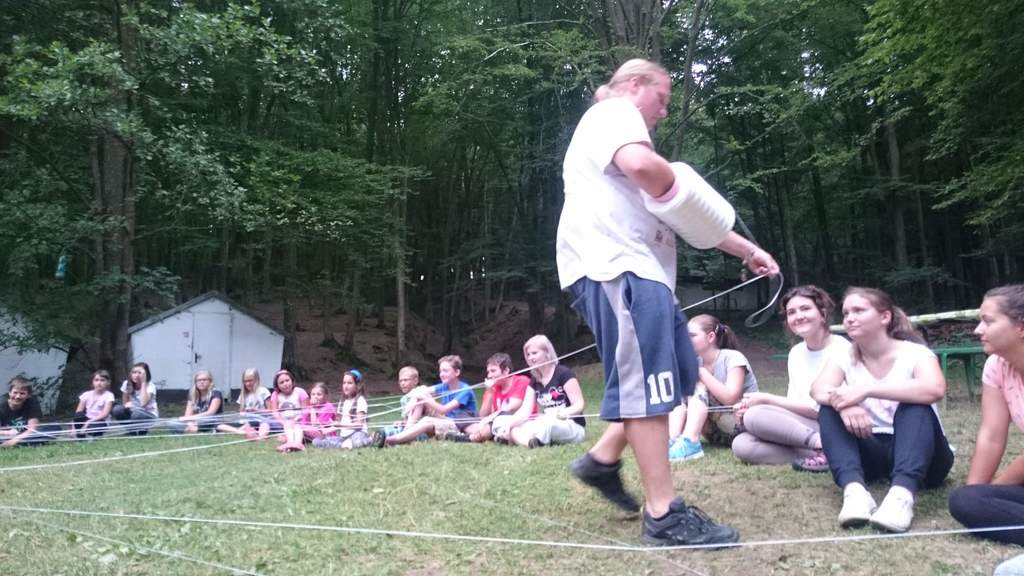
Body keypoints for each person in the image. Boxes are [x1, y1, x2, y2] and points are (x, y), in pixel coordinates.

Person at [558, 57, 778, 546]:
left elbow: (681, 213)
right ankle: (663, 515)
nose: (663, 111)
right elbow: (648, 171)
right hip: (617, 267)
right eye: (662, 99)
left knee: (676, 372)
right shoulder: (614, 113)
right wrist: (680, 177)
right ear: (635, 85)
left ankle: (601, 459)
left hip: (644, 273)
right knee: (648, 384)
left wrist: (747, 251)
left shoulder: (625, 137)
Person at [810, 287, 953, 533]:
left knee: (914, 405)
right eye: (846, 313)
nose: (849, 318)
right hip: (873, 451)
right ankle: (854, 492)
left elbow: (934, 388)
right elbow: (818, 389)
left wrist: (866, 390)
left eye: (859, 311)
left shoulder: (915, 353)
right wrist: (845, 405)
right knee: (829, 408)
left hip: (926, 457)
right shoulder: (845, 356)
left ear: (885, 317)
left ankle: (902, 497)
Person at [731, 285, 851, 470]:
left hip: (834, 424)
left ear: (823, 313)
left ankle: (826, 445)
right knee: (742, 444)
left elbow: (821, 410)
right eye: (791, 312)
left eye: (805, 308)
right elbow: (794, 403)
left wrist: (766, 399)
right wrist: (753, 407)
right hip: (807, 425)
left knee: (755, 415)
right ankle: (826, 453)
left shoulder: (843, 349)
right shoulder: (796, 353)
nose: (798, 316)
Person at [949, 284, 1024, 548]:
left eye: (988, 321)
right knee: (965, 500)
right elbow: (991, 435)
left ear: (1021, 327)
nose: (977, 330)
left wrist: (998, 489)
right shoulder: (997, 366)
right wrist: (977, 492)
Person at [668, 315, 758, 461]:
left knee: (697, 387)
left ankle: (690, 442)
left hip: (742, 427)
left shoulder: (733, 358)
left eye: (692, 336)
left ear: (710, 337)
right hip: (714, 432)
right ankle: (671, 440)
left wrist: (701, 373)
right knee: (681, 391)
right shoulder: (696, 361)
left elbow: (730, 398)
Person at [378, 355, 478, 447]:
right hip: (446, 419)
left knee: (426, 419)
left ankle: (395, 439)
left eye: (445, 371)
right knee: (421, 394)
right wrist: (414, 400)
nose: (442, 374)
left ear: (457, 372)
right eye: (440, 371)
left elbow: (444, 410)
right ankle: (407, 429)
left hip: (458, 425)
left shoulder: (465, 390)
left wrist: (425, 398)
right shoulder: (444, 386)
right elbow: (421, 390)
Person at [508, 335, 585, 448]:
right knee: (515, 428)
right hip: (545, 421)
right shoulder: (534, 379)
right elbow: (525, 411)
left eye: (534, 353)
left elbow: (579, 405)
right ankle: (531, 443)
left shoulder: (564, 373)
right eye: (528, 354)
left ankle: (534, 438)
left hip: (571, 425)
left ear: (547, 353)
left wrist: (560, 413)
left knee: (549, 425)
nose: (530, 357)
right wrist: (509, 425)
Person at [448, 353, 532, 444]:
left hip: (514, 421)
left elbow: (512, 408)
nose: (489, 376)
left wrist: (488, 418)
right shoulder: (493, 387)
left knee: (502, 416)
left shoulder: (521, 381)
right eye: (488, 372)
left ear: (506, 370)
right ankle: (484, 433)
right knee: (462, 414)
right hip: (491, 423)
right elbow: (483, 415)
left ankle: (473, 436)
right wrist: (489, 392)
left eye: (493, 371)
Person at [314, 370, 372, 449]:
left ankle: (369, 440)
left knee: (357, 442)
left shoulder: (360, 400)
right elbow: (339, 423)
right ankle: (345, 445)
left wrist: (341, 425)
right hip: (343, 437)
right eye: (344, 383)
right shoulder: (342, 402)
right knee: (316, 441)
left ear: (357, 385)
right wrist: (325, 430)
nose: (346, 386)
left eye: (349, 383)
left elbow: (359, 425)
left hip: (358, 434)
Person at [372, 366, 428, 446]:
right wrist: (401, 422)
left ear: (415, 381)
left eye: (406, 380)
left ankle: (390, 440)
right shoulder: (403, 400)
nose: (402, 383)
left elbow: (418, 420)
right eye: (400, 381)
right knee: (381, 431)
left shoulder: (421, 394)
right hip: (407, 428)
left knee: (384, 434)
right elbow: (406, 420)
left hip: (420, 430)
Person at [1, 376, 62, 447]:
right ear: (9, 393)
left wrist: (14, 441)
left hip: (25, 434)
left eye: (22, 393)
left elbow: (32, 429)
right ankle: (31, 443)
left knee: (55, 428)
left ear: (28, 395)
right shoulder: (1, 403)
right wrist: (7, 433)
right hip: (5, 435)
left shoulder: (32, 402)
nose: (18, 396)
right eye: (15, 392)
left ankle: (17, 443)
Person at [216, 368, 273, 439]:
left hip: (259, 420)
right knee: (219, 425)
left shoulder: (263, 391)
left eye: (250, 381)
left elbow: (271, 412)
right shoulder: (243, 394)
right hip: (245, 421)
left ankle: (241, 431)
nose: (247, 384)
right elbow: (241, 412)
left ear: (256, 380)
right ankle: (241, 431)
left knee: (255, 423)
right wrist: (243, 413)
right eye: (245, 381)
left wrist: (256, 410)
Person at [168, 370, 224, 434]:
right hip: (197, 421)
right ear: (195, 382)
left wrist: (191, 419)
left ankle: (196, 430)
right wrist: (189, 423)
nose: (201, 382)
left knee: (208, 420)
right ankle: (197, 430)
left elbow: (211, 413)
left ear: (210, 381)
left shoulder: (216, 393)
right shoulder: (192, 395)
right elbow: (187, 415)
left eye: (204, 380)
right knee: (172, 422)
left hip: (211, 420)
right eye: (199, 380)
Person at [111, 362, 158, 435]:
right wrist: (127, 405)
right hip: (133, 412)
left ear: (146, 374)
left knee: (136, 415)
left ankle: (143, 431)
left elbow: (143, 403)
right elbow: (125, 403)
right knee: (117, 409)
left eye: (140, 373)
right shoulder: (127, 384)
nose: (136, 375)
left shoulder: (150, 386)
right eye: (134, 372)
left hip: (148, 414)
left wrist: (143, 383)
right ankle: (132, 431)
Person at [270, 369, 308, 452]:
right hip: (282, 422)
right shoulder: (275, 394)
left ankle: (297, 444)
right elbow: (274, 412)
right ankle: (290, 443)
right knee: (287, 425)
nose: (285, 384)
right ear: (277, 385)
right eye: (281, 382)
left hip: (299, 421)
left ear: (292, 380)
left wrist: (297, 419)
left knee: (297, 427)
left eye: (287, 380)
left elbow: (305, 410)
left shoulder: (300, 392)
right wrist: (283, 422)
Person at [72, 369, 115, 438]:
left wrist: (89, 422)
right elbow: (78, 412)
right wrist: (73, 428)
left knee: (95, 429)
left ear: (108, 382)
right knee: (79, 416)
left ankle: (91, 434)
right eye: (96, 380)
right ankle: (80, 436)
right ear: (93, 382)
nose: (99, 383)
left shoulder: (109, 395)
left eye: (102, 380)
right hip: (87, 419)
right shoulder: (86, 394)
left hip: (100, 420)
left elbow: (105, 414)